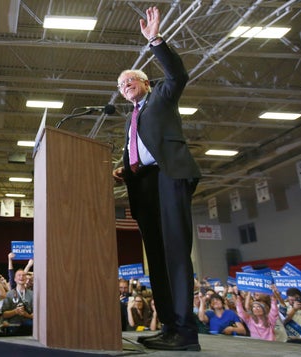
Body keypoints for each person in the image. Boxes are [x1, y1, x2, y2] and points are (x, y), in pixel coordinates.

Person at [111, 7, 201, 351]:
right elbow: (138, 148)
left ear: (145, 82)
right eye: (120, 85)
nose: (124, 87)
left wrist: (155, 40)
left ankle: (186, 332)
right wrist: (126, 166)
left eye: (129, 81)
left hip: (170, 176)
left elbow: (178, 74)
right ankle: (168, 325)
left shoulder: (162, 95)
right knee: (157, 255)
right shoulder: (132, 118)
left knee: (176, 252)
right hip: (145, 184)